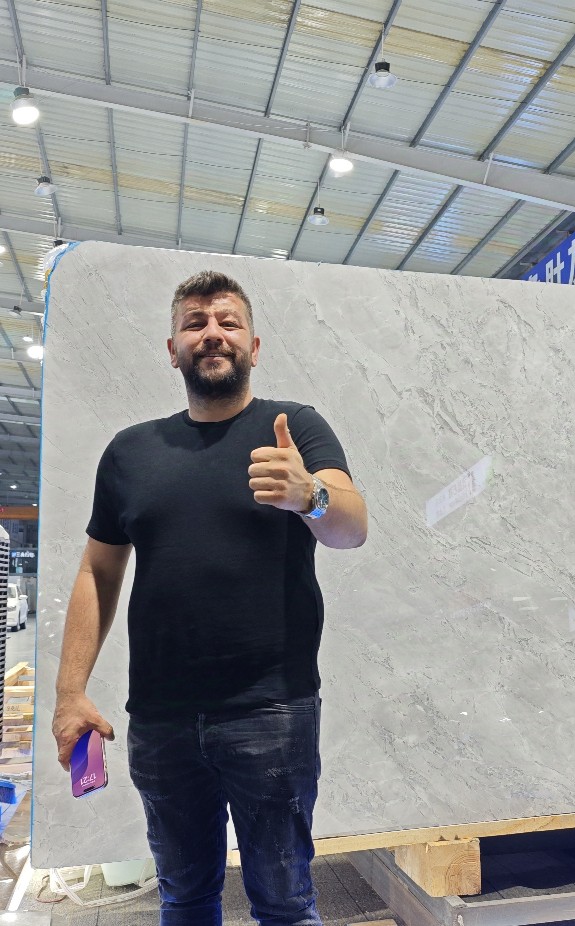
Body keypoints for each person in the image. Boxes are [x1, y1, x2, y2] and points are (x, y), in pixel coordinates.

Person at [52, 270, 368, 926]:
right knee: (185, 900)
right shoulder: (130, 452)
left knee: (285, 904)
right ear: (173, 349)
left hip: (272, 712)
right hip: (161, 721)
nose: (212, 333)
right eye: (194, 323)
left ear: (255, 345)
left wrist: (309, 494)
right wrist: (69, 691)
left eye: (228, 321)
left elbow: (352, 527)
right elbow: (97, 572)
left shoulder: (295, 429)